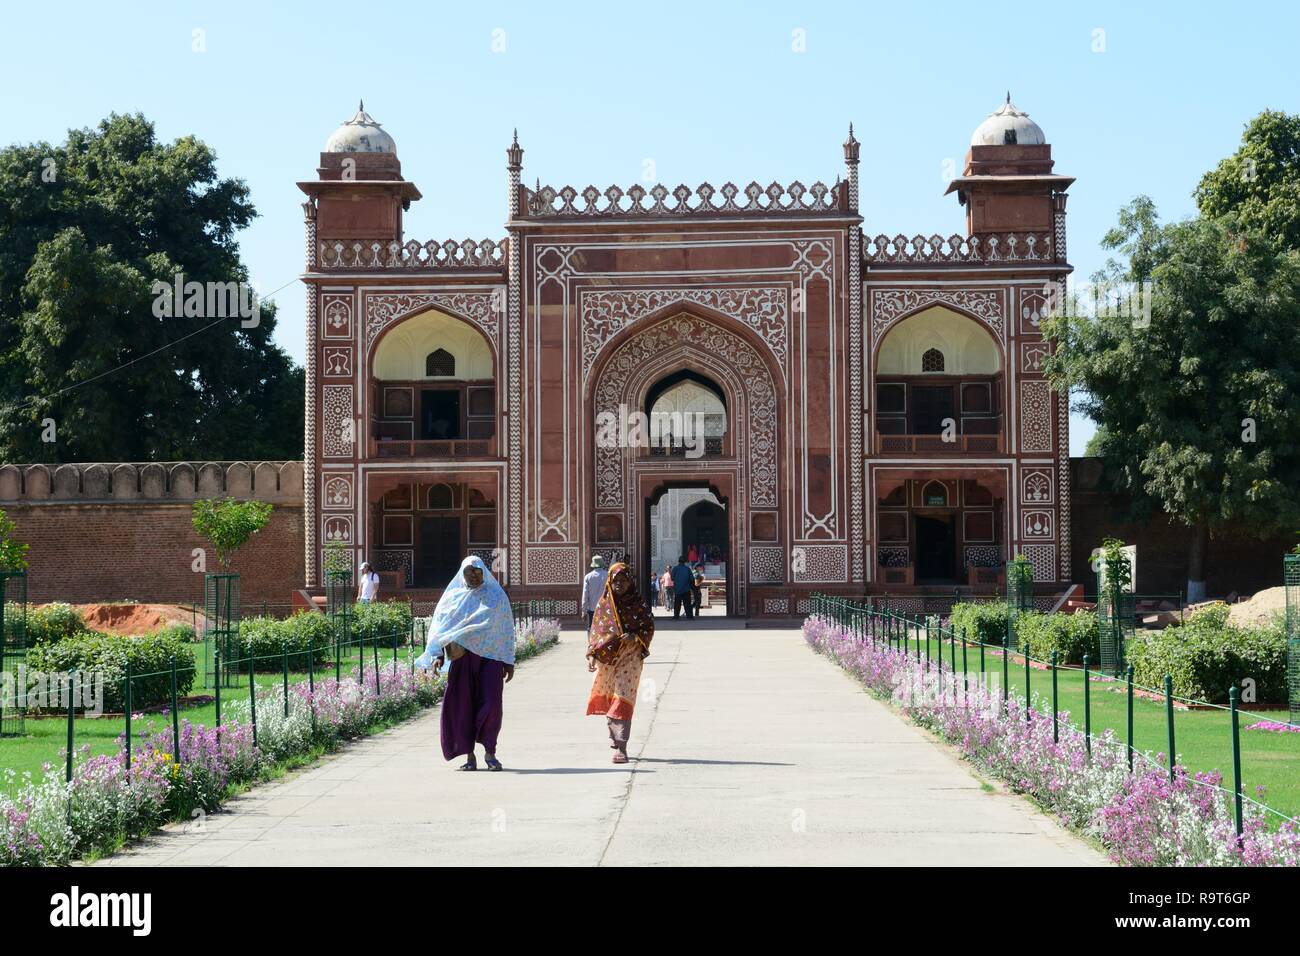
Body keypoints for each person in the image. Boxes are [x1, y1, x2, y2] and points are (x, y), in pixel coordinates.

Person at [416, 555, 516, 771]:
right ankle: (469, 756)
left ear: (484, 572)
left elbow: (506, 629)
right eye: (469, 572)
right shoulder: (453, 597)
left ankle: (490, 752)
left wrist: (509, 660)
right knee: (462, 707)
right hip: (461, 659)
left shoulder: (496, 596)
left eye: (477, 571)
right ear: (462, 574)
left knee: (491, 705)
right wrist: (437, 656)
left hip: (490, 659)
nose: (473, 575)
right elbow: (441, 629)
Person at [585, 562, 654, 764]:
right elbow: (596, 631)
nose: (620, 584)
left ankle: (622, 746)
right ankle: (615, 734)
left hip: (630, 656)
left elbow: (648, 626)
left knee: (624, 696)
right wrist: (591, 654)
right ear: (610, 581)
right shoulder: (604, 605)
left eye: (624, 580)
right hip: (607, 658)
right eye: (616, 580)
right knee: (609, 696)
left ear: (630, 582)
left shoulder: (638, 603)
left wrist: (635, 637)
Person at [580, 555, 608, 630]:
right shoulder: (608, 575)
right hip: (605, 608)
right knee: (604, 628)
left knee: (592, 628)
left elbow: (585, 595)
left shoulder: (588, 577)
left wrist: (584, 611)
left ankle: (591, 641)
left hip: (592, 609)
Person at [671, 555, 694, 620]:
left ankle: (676, 616)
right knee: (687, 604)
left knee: (677, 604)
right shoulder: (687, 569)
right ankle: (689, 616)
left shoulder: (675, 568)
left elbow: (672, 578)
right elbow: (691, 578)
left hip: (678, 589)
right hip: (686, 589)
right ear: (684, 562)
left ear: (679, 561)